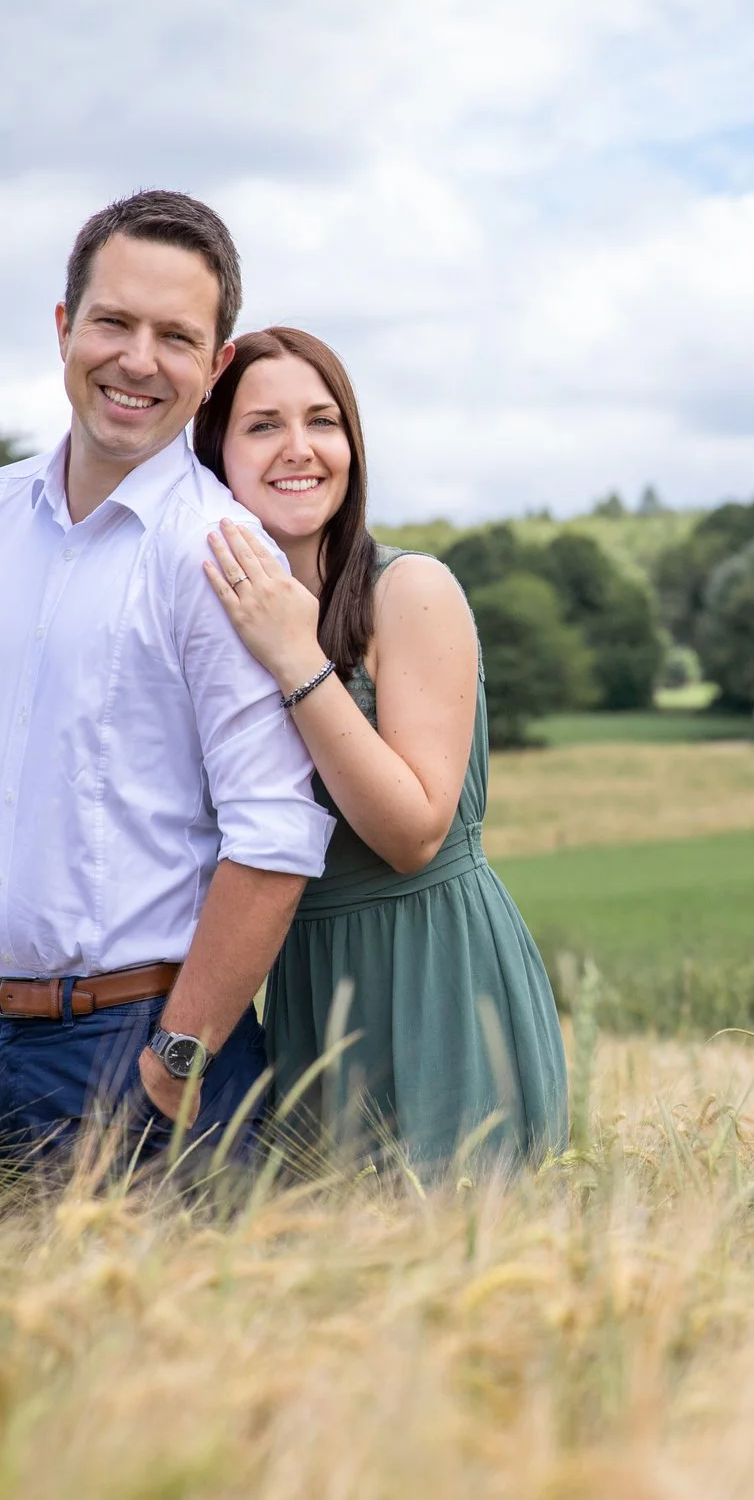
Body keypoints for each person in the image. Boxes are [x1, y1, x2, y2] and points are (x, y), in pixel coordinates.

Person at [0, 193, 334, 1187]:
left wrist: (172, 1065)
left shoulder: (221, 552)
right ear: (64, 327)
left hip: (140, 1049)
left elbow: (275, 830)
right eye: (113, 322)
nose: (138, 360)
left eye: (176, 336)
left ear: (215, 365)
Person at [191, 326, 567, 1172]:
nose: (299, 447)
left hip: (438, 978)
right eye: (263, 425)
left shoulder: (412, 591)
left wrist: (296, 656)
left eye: (323, 421)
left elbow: (413, 832)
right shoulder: (208, 622)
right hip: (304, 995)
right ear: (215, 452)